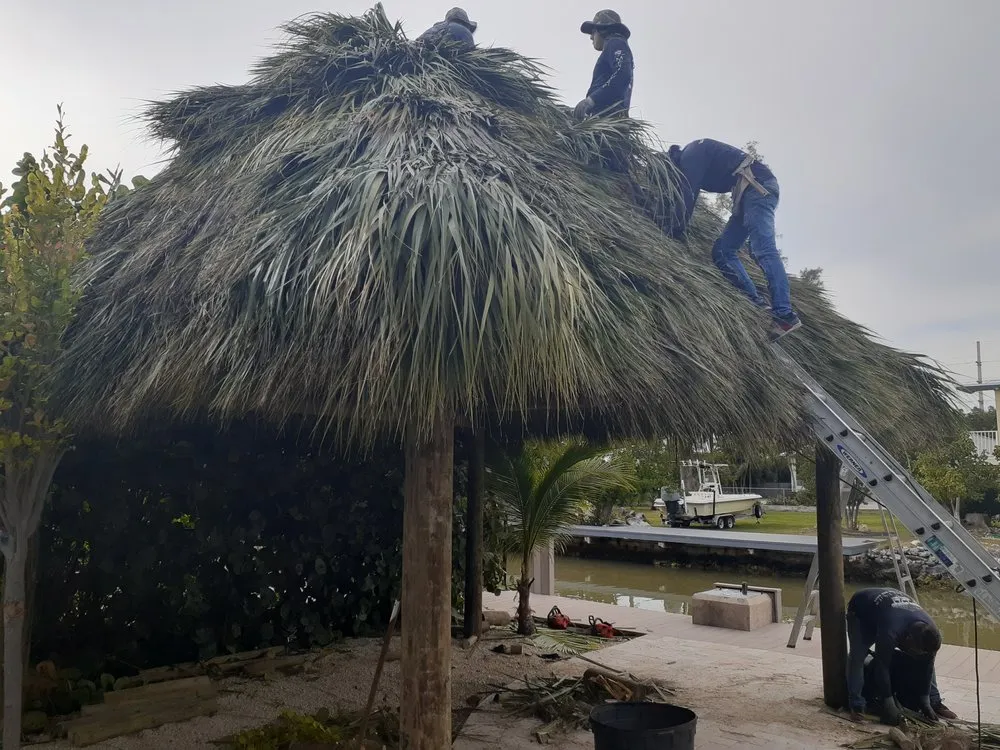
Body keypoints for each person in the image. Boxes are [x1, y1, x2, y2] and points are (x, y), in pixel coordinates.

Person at [665, 138, 801, 340]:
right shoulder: (696, 154)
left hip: (758, 188)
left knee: (763, 250)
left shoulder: (690, 155)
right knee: (723, 251)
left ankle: (785, 315)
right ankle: (756, 304)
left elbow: (687, 197)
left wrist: (672, 229)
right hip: (745, 194)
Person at [846, 588, 957, 725]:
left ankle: (934, 701)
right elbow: (882, 666)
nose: (917, 654)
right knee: (857, 656)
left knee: (926, 660)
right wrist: (889, 703)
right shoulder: (890, 631)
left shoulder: (932, 634)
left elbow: (927, 666)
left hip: (889, 610)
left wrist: (925, 702)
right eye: (916, 650)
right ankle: (857, 705)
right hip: (862, 611)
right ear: (908, 638)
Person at [575, 10, 634, 121]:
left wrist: (593, 100)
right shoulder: (614, 46)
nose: (591, 37)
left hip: (608, 117)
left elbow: (622, 75)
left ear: (603, 30)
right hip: (608, 118)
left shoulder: (615, 43)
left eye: (593, 32)